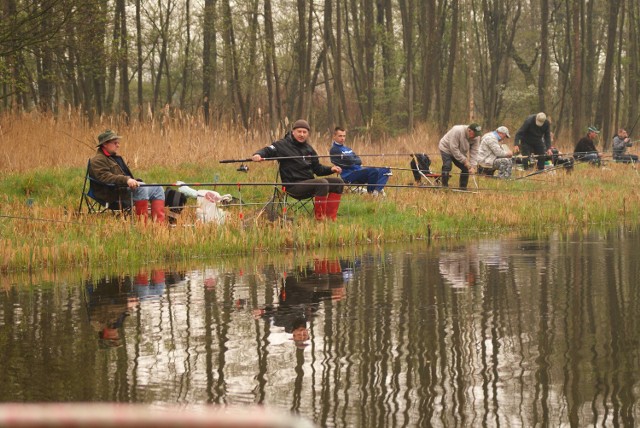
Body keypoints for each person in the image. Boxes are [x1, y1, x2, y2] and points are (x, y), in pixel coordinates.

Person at [252, 120, 344, 221]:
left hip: (309, 184)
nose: (302, 134)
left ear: (308, 134)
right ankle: (320, 219)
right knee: (322, 183)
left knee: (338, 183)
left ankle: (330, 218)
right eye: (299, 131)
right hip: (292, 186)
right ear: (293, 132)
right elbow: (267, 150)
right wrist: (258, 155)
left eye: (304, 132)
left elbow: (318, 169)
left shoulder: (309, 149)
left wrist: (331, 169)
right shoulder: (282, 145)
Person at [89, 129, 166, 223]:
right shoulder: (97, 160)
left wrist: (134, 181)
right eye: (115, 143)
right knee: (141, 188)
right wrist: (127, 180)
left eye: (118, 142)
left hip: (122, 189)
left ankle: (160, 226)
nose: (118, 145)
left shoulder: (113, 158)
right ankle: (143, 226)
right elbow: (105, 177)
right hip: (112, 194)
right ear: (105, 144)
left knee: (157, 188)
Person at [329, 127, 391, 196]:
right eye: (340, 136)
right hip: (349, 175)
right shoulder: (334, 150)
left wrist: (352, 160)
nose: (342, 138)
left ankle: (375, 191)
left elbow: (359, 160)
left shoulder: (347, 148)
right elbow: (348, 162)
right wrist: (353, 160)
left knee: (386, 170)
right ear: (334, 136)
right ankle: (372, 192)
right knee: (373, 170)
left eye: (344, 136)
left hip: (360, 171)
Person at [438, 123, 482, 188]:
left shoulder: (477, 137)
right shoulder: (457, 130)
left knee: (466, 168)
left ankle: (463, 188)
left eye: (477, 134)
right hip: (446, 148)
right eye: (474, 134)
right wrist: (465, 160)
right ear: (469, 130)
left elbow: (474, 152)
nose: (476, 136)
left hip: (460, 151)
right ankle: (444, 186)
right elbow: (454, 149)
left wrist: (472, 166)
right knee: (447, 165)